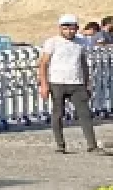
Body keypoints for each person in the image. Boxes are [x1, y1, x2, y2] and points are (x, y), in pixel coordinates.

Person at [41, 14, 105, 154]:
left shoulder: (81, 42)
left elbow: (83, 63)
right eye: (65, 28)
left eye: (72, 28)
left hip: (77, 82)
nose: (69, 31)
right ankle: (60, 144)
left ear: (76, 28)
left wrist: (87, 82)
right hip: (57, 82)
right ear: (60, 28)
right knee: (58, 113)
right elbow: (44, 63)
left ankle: (92, 146)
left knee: (85, 113)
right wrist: (44, 85)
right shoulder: (52, 42)